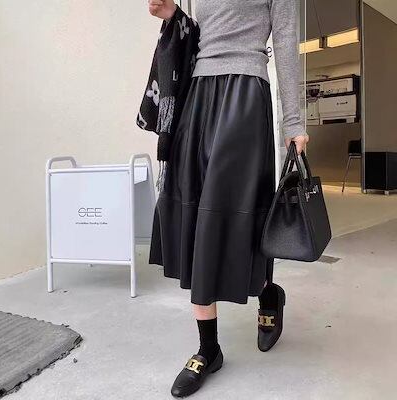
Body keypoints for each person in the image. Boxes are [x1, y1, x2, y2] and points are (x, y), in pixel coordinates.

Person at [147, 0, 309, 397]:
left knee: (237, 209)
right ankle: (209, 349)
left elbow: (285, 42)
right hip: (198, 96)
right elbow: (203, 34)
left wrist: (294, 122)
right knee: (197, 214)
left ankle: (268, 292)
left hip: (246, 92)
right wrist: (173, 15)